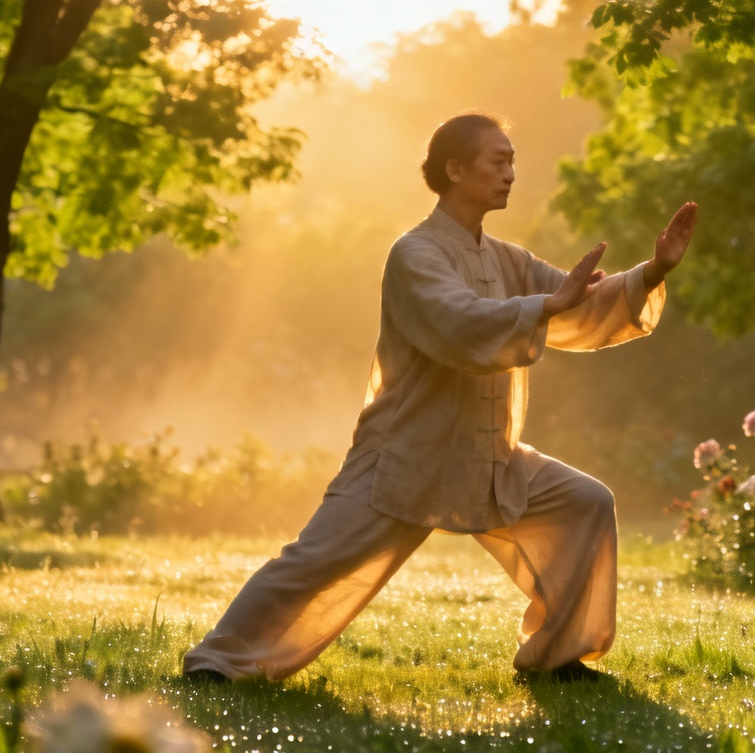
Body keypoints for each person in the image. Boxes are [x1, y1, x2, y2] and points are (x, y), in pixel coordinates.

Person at [183, 113, 697, 684]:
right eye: (497, 161)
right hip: (406, 453)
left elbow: (581, 299)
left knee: (584, 503)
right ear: (454, 169)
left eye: (512, 162)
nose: (509, 174)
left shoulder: (507, 259)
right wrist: (546, 307)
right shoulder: (415, 253)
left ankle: (557, 658)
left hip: (488, 454)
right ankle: (216, 663)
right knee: (314, 563)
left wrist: (652, 271)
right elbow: (458, 324)